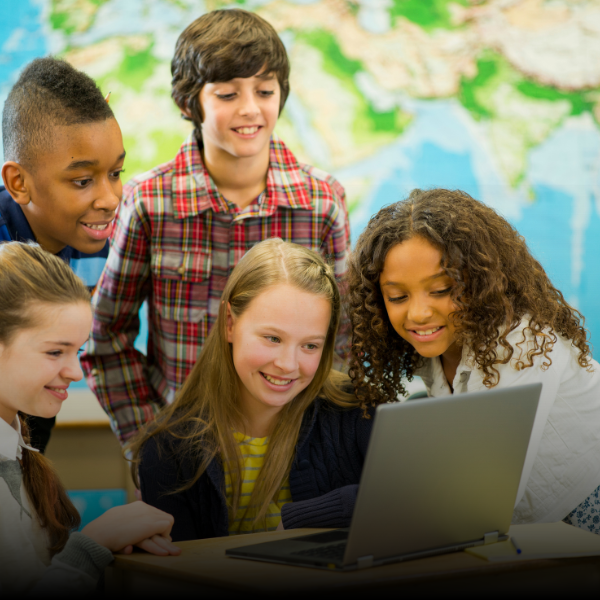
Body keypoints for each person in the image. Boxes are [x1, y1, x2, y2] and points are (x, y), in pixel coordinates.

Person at [81, 8, 351, 447]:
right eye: (227, 95)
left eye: (265, 91)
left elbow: (343, 340)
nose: (250, 108)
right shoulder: (149, 201)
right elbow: (106, 336)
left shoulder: (322, 202)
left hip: (295, 449)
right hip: (181, 447)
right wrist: (149, 443)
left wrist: (322, 445)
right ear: (190, 103)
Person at [345, 188, 600, 532]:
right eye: (398, 296)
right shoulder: (433, 351)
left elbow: (482, 495)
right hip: (535, 526)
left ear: (480, 282)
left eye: (441, 290)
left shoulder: (523, 344)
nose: (418, 313)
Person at [129, 239, 370, 541]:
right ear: (230, 323)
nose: (287, 364)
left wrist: (301, 520)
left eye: (310, 345)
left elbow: (415, 494)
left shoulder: (358, 411)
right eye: (272, 338)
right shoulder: (168, 449)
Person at [0, 242, 180, 596]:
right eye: (55, 351)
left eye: (78, 351)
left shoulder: (17, 450)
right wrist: (90, 547)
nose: (76, 372)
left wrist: (107, 544)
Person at [1, 57, 125, 453]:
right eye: (83, 181)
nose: (109, 200)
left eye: (116, 173)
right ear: (19, 183)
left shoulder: (103, 238)